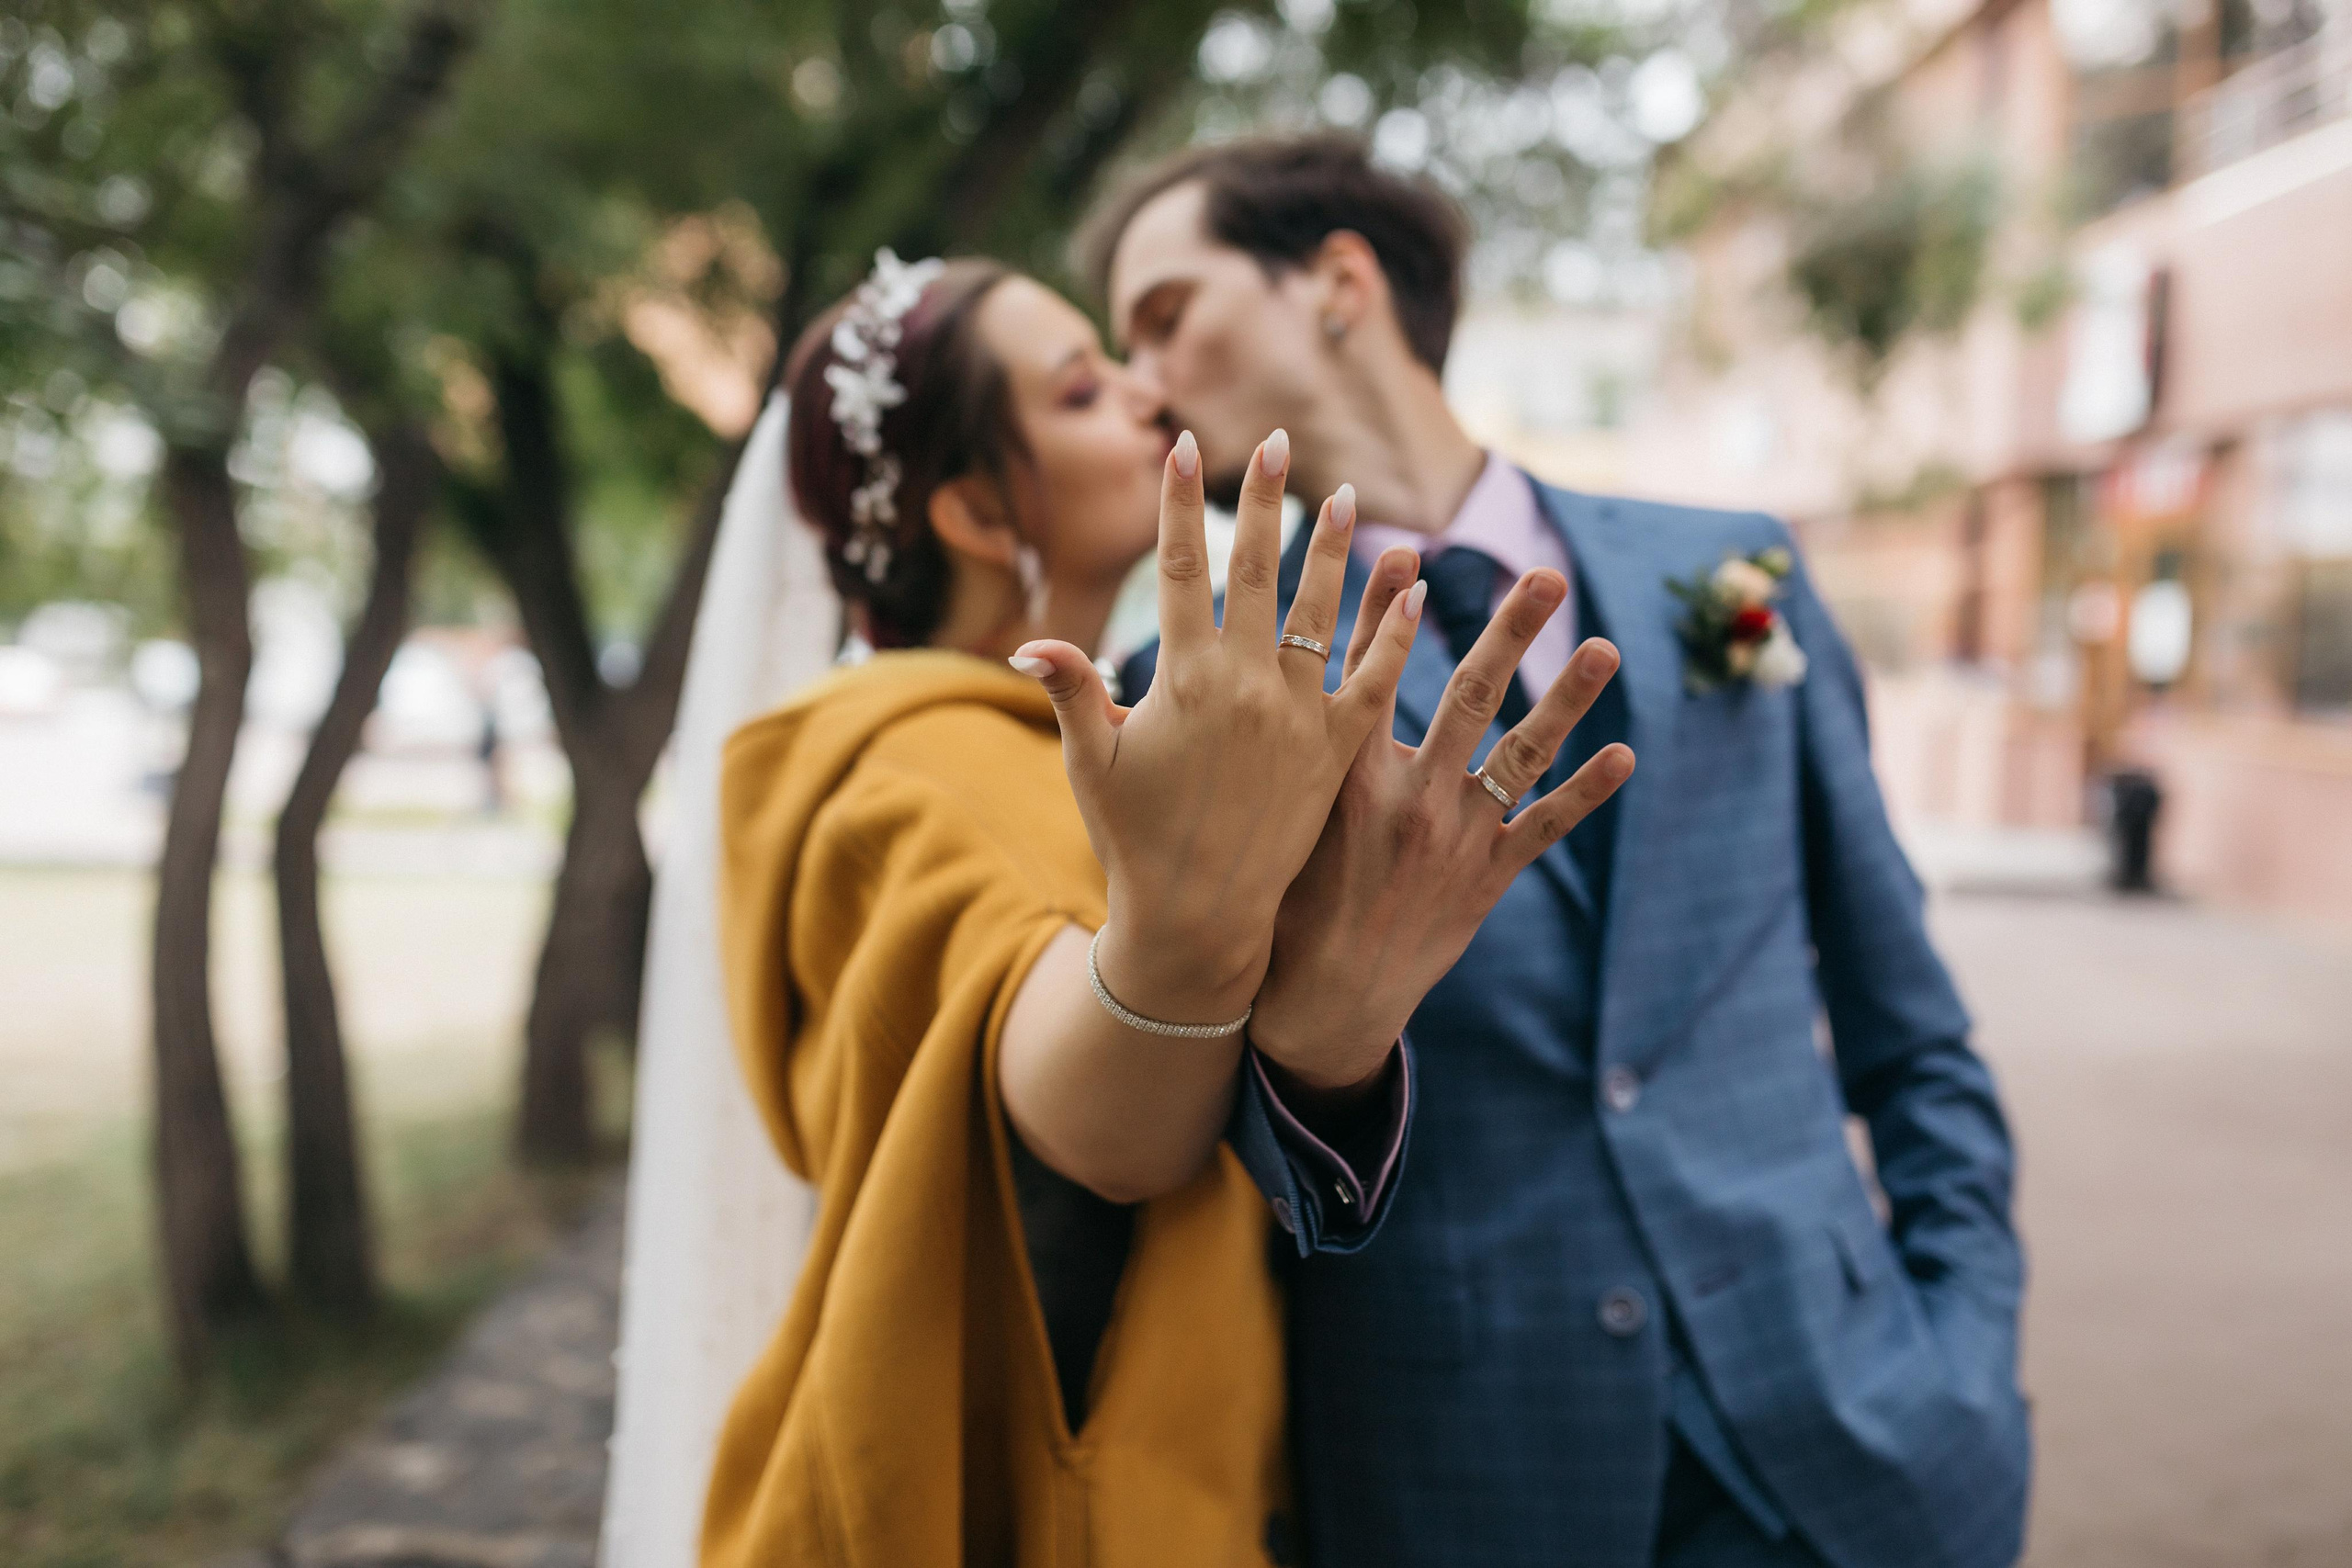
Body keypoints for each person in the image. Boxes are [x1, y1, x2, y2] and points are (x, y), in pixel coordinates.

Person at [1080, 135, 2031, 1568]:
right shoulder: (1197, 690)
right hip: (1471, 1476)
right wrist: (1328, 1056)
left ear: (1339, 283)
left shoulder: (1729, 570)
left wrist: (1968, 1351)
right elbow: (1225, 1149)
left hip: (1857, 1431)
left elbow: (1910, 1019)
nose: (1144, 385)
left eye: (1165, 317)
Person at [694, 251, 1632, 1566]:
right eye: (1083, 389)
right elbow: (1090, 1122)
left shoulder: (1116, 738)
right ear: (973, 509)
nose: (1148, 395)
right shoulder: (887, 764)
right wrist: (1188, 937)